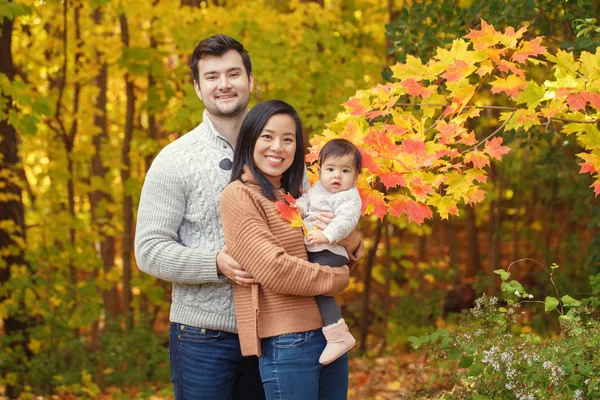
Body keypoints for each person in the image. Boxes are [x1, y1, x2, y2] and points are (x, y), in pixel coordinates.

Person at [134, 34, 266, 400]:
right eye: (212, 76)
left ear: (250, 80)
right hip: (202, 336)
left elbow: (310, 222)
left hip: (276, 331)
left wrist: (347, 242)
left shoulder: (280, 149)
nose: (224, 84)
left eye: (233, 73)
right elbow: (149, 250)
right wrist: (216, 263)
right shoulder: (174, 160)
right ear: (197, 87)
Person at [220, 100, 352, 400]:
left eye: (288, 139)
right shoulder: (238, 195)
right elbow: (275, 269)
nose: (277, 147)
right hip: (289, 342)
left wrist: (349, 237)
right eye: (267, 136)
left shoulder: (297, 198)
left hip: (332, 334)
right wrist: (337, 279)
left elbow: (330, 250)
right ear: (250, 140)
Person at [294, 138, 362, 365]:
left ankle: (338, 335)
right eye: (330, 169)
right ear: (320, 170)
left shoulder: (349, 197)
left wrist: (327, 235)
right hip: (318, 246)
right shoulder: (318, 189)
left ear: (356, 176)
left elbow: (345, 222)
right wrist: (300, 206)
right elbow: (307, 200)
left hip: (330, 250)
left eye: (345, 171)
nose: (336, 176)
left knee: (320, 289)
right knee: (318, 290)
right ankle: (334, 333)